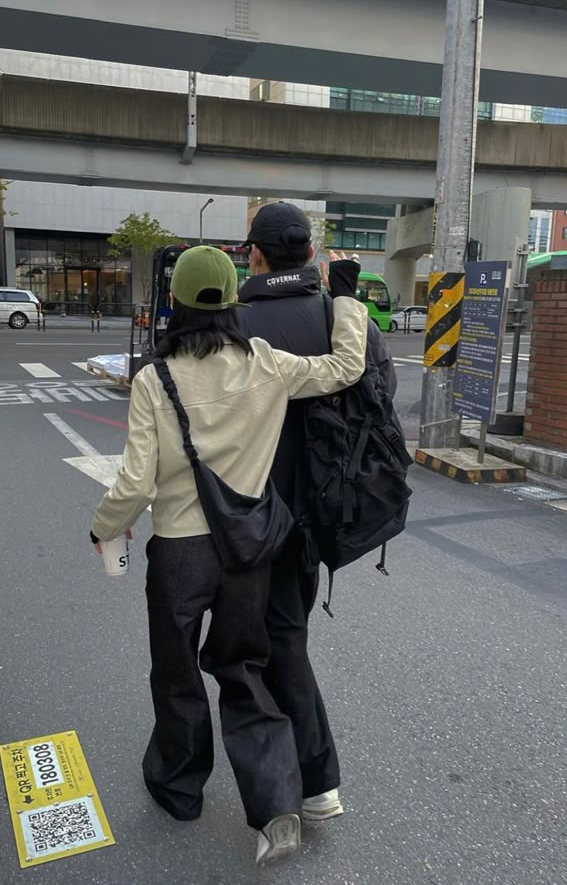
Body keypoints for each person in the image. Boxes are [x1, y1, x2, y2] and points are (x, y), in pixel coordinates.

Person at [89, 245, 368, 865]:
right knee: (244, 670)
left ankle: (180, 786)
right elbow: (347, 366)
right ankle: (275, 808)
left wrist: (103, 527)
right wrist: (346, 297)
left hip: (181, 556)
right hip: (250, 550)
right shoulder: (266, 364)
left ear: (176, 302)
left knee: (177, 672)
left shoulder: (153, 379)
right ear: (232, 301)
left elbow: (135, 483)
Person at [237, 202, 398, 823]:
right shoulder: (345, 319)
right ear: (310, 255)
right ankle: (304, 777)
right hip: (321, 514)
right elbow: (380, 405)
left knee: (253, 646)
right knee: (283, 635)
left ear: (254, 255)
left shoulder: (230, 322)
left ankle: (308, 779)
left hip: (242, 514)